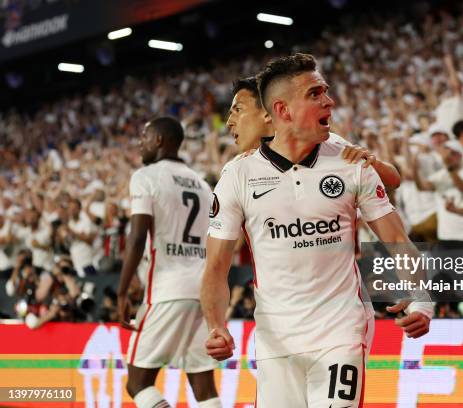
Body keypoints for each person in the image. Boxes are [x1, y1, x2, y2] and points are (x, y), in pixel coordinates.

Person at [202, 53, 432, 408]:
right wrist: (216, 326)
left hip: (340, 329)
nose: (330, 100)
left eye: (325, 90)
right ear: (282, 110)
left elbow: (397, 239)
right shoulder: (237, 175)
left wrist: (422, 298)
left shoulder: (350, 161)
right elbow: (216, 265)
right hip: (275, 339)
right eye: (315, 93)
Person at [117, 117, 220, 408]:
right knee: (204, 388)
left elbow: (137, 237)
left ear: (160, 140)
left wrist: (122, 292)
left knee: (137, 384)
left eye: (145, 136)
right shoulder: (202, 184)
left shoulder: (146, 176)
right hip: (201, 291)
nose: (140, 143)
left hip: (166, 289)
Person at [226, 76, 401, 190]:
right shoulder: (236, 170)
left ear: (267, 112)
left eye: (238, 110)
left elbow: (393, 180)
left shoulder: (326, 144)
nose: (229, 123)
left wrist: (372, 163)